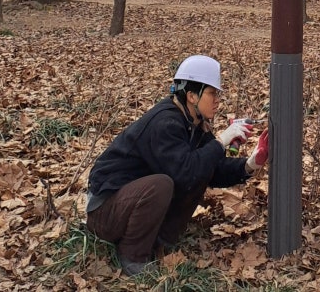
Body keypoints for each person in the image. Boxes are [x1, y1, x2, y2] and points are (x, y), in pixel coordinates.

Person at [85, 54, 269, 276]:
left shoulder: (194, 123)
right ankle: (132, 256)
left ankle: (159, 242)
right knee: (162, 184)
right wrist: (221, 142)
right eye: (211, 93)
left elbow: (212, 169)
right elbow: (185, 172)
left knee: (197, 167)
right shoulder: (165, 123)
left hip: (127, 205)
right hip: (104, 212)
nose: (217, 100)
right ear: (192, 95)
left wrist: (250, 164)